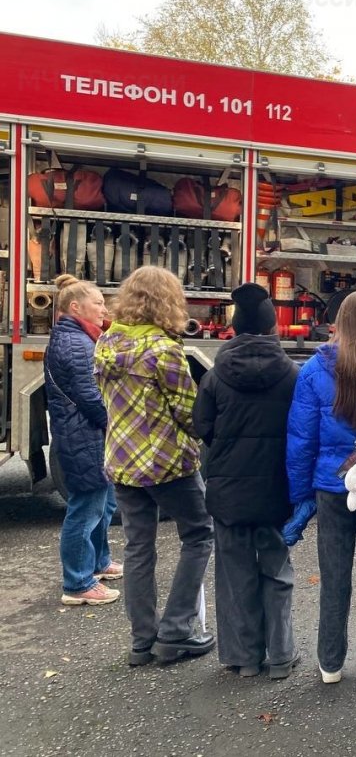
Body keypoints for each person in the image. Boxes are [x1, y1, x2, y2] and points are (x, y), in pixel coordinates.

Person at [95, 267, 214, 666]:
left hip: (122, 461)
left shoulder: (106, 342)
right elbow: (188, 411)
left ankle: (141, 641)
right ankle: (177, 629)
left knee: (138, 548)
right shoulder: (164, 350)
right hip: (166, 463)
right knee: (199, 534)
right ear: (168, 300)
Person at [286, 291, 356, 683]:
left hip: (331, 487)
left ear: (339, 323)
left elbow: (301, 441)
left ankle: (330, 661)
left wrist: (300, 497)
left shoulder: (314, 369)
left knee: (334, 576)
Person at [193, 284, 299, 679]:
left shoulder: (216, 376)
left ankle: (243, 659)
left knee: (234, 573)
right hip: (275, 490)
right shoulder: (290, 373)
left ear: (234, 328)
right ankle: (281, 656)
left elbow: (200, 425)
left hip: (229, 493)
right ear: (273, 326)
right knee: (277, 569)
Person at [47, 274, 122, 607]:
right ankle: (77, 583)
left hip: (87, 436)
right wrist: (117, 423)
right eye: (98, 303)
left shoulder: (79, 338)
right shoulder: (76, 343)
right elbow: (91, 396)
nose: (103, 309)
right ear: (75, 307)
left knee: (103, 504)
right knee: (85, 509)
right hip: (83, 437)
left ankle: (99, 563)